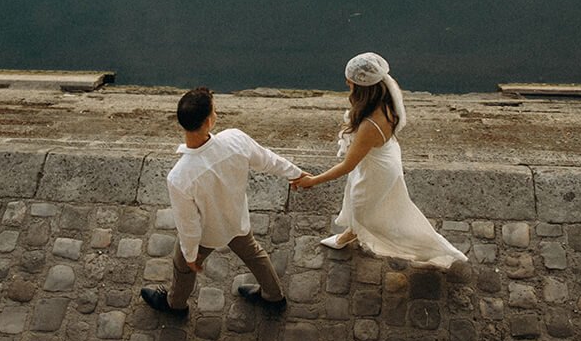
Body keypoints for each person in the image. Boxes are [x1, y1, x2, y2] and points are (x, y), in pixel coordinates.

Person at [141, 87, 308, 316]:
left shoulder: (179, 177)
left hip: (207, 235)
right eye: (215, 111)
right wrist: (296, 173)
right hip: (236, 220)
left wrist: (191, 256)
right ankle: (273, 296)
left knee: (182, 267)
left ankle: (176, 305)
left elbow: (188, 225)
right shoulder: (235, 140)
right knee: (255, 255)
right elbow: (268, 160)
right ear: (209, 121)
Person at [292, 53, 467, 269]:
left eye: (351, 82)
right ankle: (351, 233)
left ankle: (428, 248)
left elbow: (347, 165)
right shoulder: (387, 97)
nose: (347, 84)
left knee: (365, 211)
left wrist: (313, 181)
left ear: (361, 87)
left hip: (376, 169)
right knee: (362, 202)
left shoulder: (369, 125)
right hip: (384, 156)